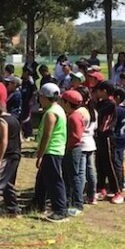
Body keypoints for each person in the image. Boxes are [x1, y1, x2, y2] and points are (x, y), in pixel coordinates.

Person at [34, 82, 68, 222]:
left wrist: (40, 155)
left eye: (40, 97)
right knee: (42, 180)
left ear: (45, 97)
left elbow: (47, 135)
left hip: (52, 150)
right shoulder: (58, 109)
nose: (39, 99)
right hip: (54, 149)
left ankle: (60, 210)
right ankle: (38, 204)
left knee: (54, 181)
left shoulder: (51, 114)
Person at [94, 81, 124, 204]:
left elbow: (100, 116)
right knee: (100, 163)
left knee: (110, 164)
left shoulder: (111, 104)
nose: (96, 93)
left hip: (107, 136)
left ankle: (117, 191)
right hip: (99, 136)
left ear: (104, 91)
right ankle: (101, 188)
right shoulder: (101, 103)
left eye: (98, 90)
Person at [60, 90, 86, 216]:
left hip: (72, 149)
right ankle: (68, 201)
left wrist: (66, 147)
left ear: (67, 103)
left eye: (62, 101)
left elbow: (76, 137)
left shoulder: (73, 117)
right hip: (71, 149)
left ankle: (77, 204)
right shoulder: (73, 115)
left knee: (73, 177)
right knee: (67, 176)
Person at [112, 87, 125, 191]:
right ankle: (121, 182)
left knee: (117, 162)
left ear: (117, 97)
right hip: (123, 138)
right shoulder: (124, 110)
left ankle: (119, 184)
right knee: (120, 161)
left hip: (116, 138)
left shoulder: (116, 110)